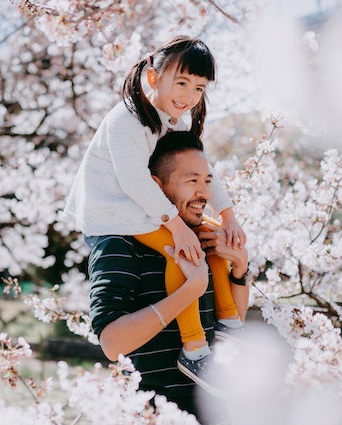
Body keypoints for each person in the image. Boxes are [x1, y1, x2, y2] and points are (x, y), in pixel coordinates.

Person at [63, 35, 247, 387]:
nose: (189, 96)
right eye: (181, 82)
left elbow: (207, 172)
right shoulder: (126, 120)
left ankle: (229, 323)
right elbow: (134, 181)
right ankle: (195, 350)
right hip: (114, 216)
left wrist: (228, 216)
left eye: (199, 88)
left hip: (144, 210)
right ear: (152, 78)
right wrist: (177, 226)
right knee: (184, 250)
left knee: (209, 234)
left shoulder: (174, 122)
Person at [89, 131, 250, 421]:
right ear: (154, 187)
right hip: (153, 411)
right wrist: (191, 288)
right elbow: (112, 343)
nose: (204, 193)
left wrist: (239, 268)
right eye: (192, 181)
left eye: (207, 182)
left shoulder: (202, 238)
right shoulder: (119, 243)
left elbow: (227, 328)